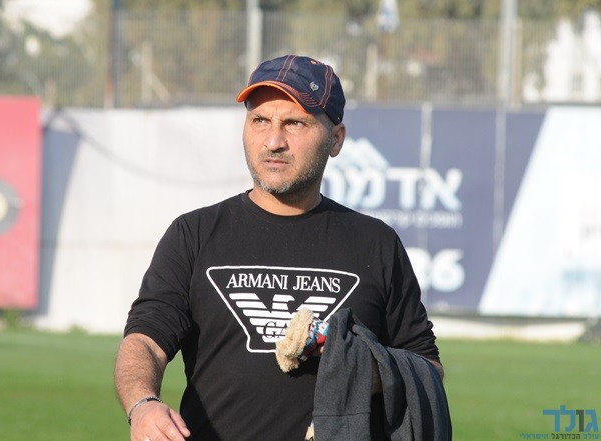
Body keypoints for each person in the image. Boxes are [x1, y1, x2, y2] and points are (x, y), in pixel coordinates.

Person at [114, 54, 445, 441]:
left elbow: (427, 368)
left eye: (294, 123)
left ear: (336, 139)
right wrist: (142, 405)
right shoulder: (194, 233)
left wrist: (356, 368)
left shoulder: (375, 243)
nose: (273, 141)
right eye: (260, 121)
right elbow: (145, 340)